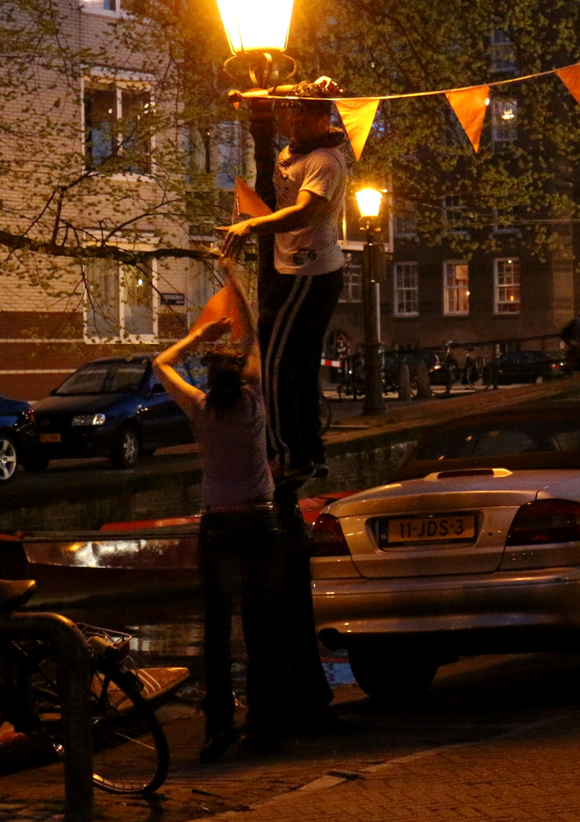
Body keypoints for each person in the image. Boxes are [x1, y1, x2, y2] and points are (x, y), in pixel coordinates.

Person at [152, 255, 332, 762]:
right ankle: (262, 723)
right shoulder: (255, 404)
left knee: (215, 627)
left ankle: (216, 728)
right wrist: (234, 281)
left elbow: (160, 364)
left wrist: (198, 332)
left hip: (218, 526)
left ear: (210, 381)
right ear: (242, 377)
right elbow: (254, 336)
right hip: (261, 520)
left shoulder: (201, 410)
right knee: (260, 624)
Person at [219, 97, 350, 483]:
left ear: (322, 119)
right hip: (291, 265)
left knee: (274, 364)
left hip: (306, 271)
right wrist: (254, 99)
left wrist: (250, 228)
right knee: (300, 367)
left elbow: (306, 211)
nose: (292, 119)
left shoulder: (323, 161)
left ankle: (288, 455)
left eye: (303, 114)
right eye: (290, 111)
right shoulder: (292, 152)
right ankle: (312, 450)